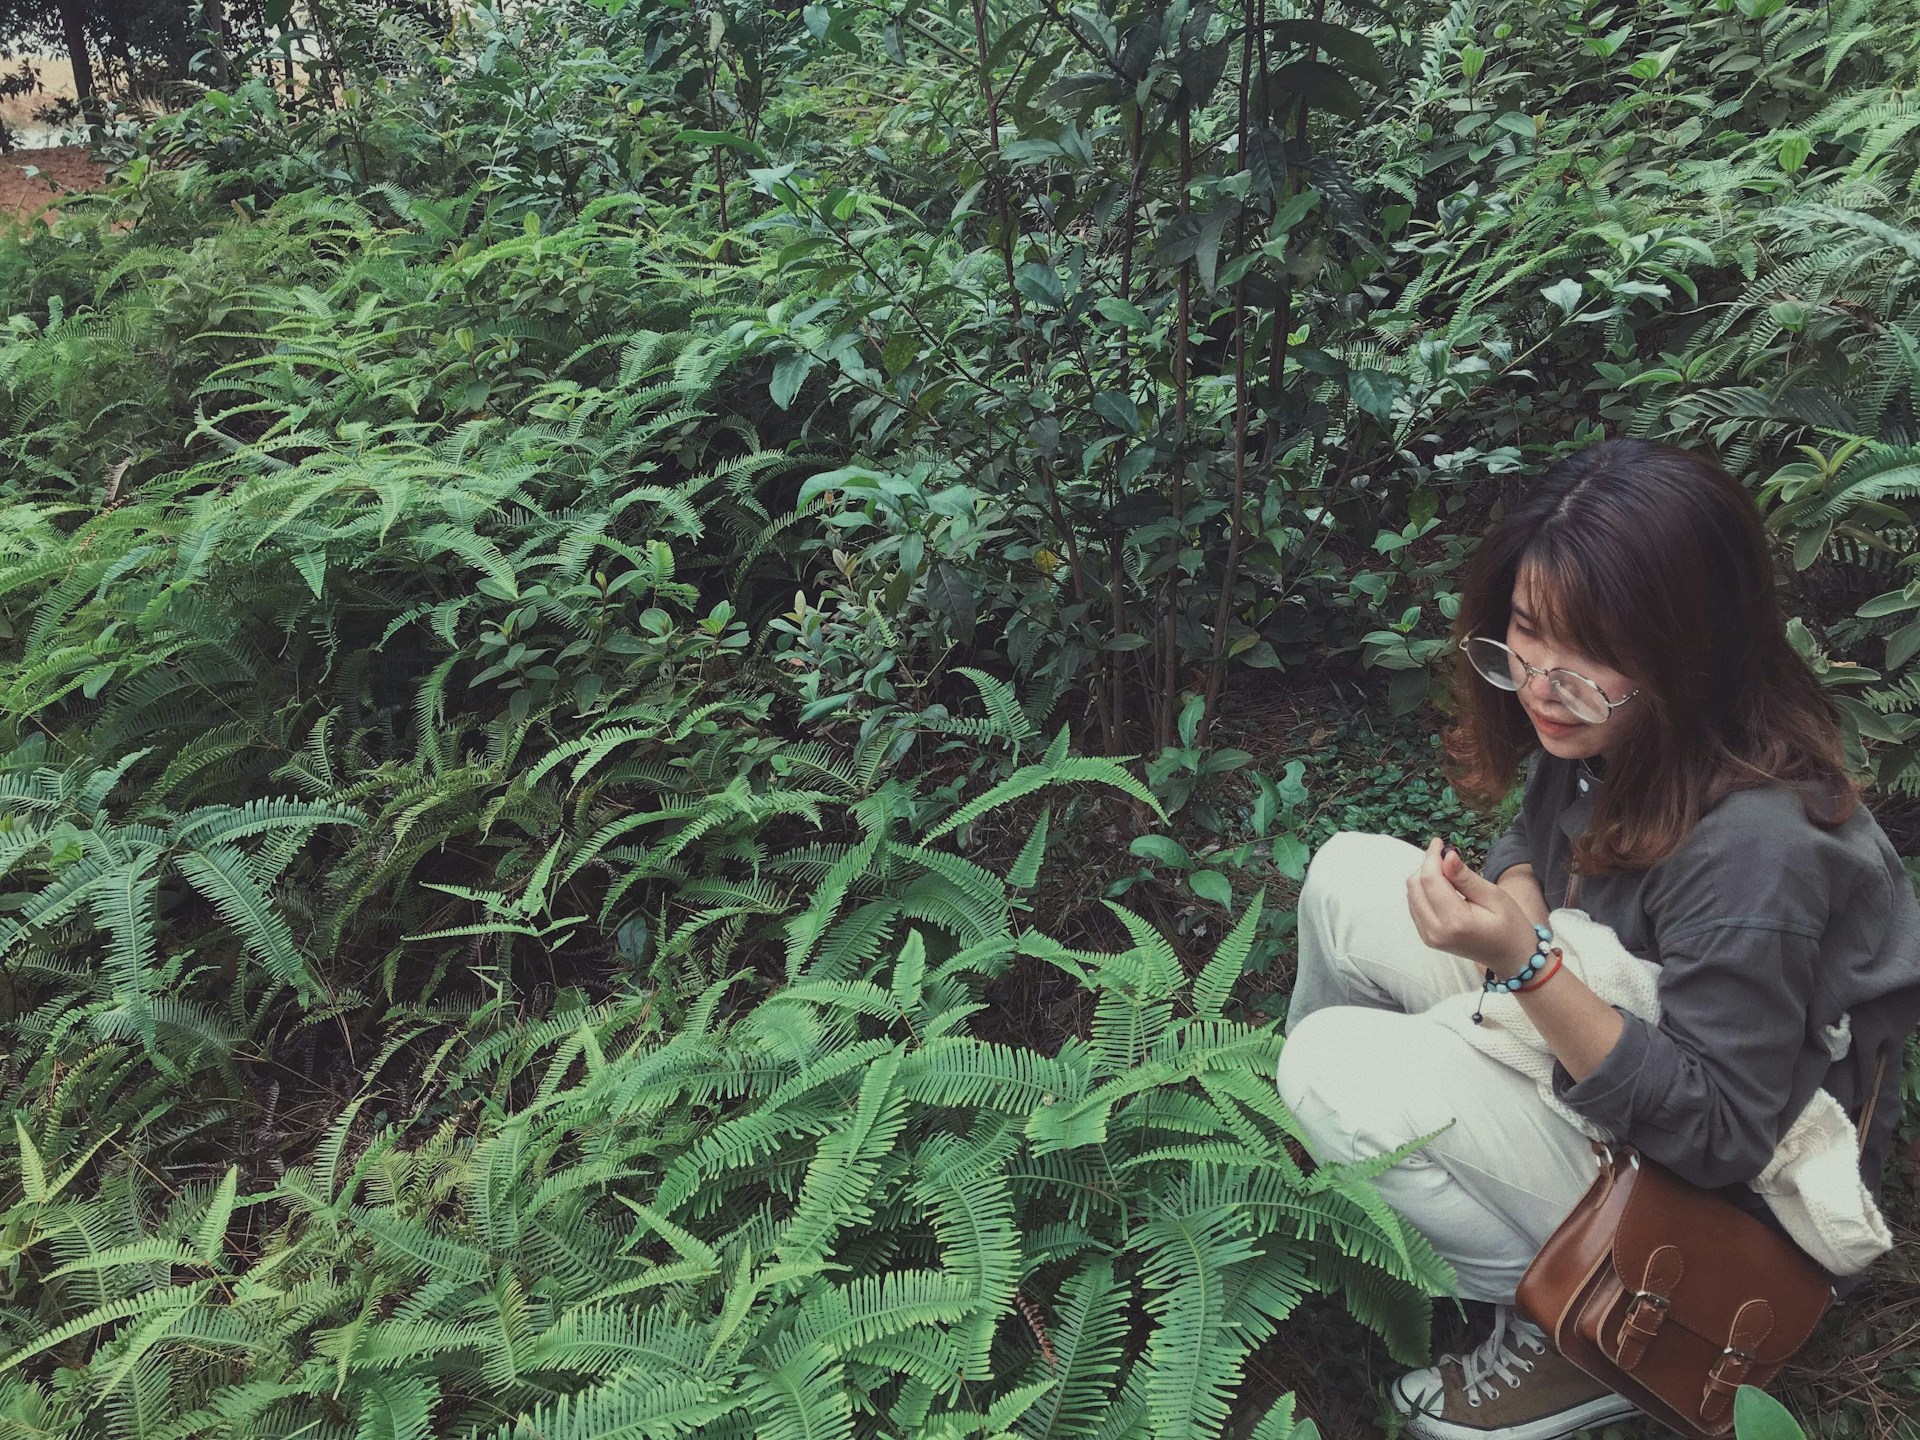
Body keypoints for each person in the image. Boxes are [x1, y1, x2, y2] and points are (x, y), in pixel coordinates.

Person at [1275, 439, 1920, 1440]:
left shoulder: (1760, 851)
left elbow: (1721, 1134)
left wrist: (1527, 964)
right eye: (1527, 633)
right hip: (1628, 1024)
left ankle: (1589, 1342)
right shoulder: (1625, 727)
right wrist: (1524, 899)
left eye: (1593, 652)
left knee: (1328, 1063)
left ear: (1689, 648)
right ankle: (1363, 1179)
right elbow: (1533, 832)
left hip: (1738, 1215)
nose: (1541, 683)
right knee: (1350, 876)